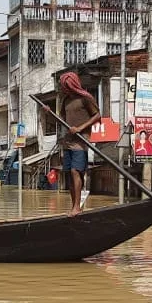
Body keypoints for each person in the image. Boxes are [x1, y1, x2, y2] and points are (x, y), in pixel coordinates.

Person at [45, 71, 101, 217]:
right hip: (68, 142)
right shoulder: (65, 101)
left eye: (66, 86)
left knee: (76, 171)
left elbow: (97, 115)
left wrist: (80, 128)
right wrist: (49, 113)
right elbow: (62, 120)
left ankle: (77, 207)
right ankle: (73, 206)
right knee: (69, 173)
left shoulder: (85, 98)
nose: (64, 89)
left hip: (81, 142)